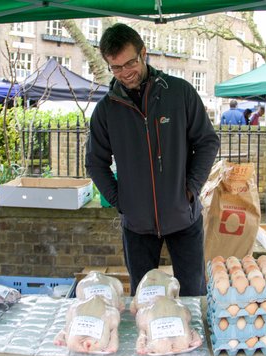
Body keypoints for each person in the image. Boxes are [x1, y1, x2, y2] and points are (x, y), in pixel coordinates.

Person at [85, 23, 220, 297]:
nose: (125, 73)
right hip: (136, 225)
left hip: (184, 216)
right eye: (116, 67)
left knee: (193, 294)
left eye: (129, 63)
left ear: (143, 53)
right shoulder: (106, 111)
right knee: (143, 297)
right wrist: (120, 199)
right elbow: (95, 162)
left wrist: (190, 189)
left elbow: (207, 142)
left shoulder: (180, 93)